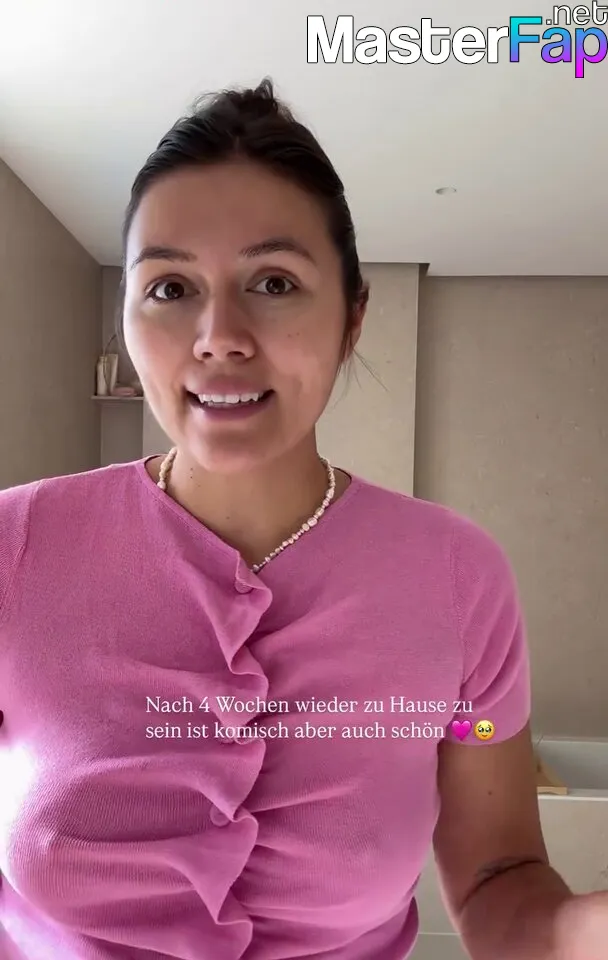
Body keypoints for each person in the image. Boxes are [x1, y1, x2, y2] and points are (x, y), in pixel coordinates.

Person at [0, 78, 605, 960]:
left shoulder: (458, 579)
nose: (219, 335)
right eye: (170, 287)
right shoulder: (16, 549)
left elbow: (498, 877)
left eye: (274, 282)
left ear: (352, 318)